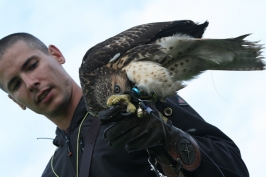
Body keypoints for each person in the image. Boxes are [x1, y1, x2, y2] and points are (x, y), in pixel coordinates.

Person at [0, 33, 249, 177]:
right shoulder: (53, 173)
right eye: (15, 84)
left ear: (56, 55)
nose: (30, 82)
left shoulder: (130, 97)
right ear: (15, 100)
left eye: (32, 65)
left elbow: (233, 169)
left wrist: (169, 139)